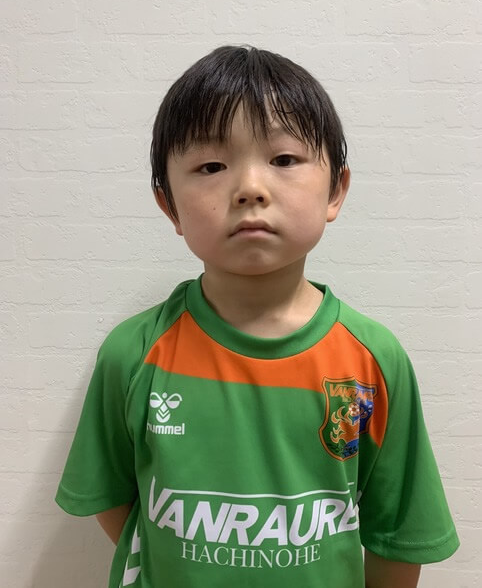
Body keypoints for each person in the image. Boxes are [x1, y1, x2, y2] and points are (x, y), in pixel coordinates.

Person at [55, 44, 459, 588]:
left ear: (336, 190)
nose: (250, 188)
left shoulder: (372, 360)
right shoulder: (133, 353)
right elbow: (112, 499)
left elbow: (398, 537)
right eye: (211, 166)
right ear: (169, 205)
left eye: (284, 159)